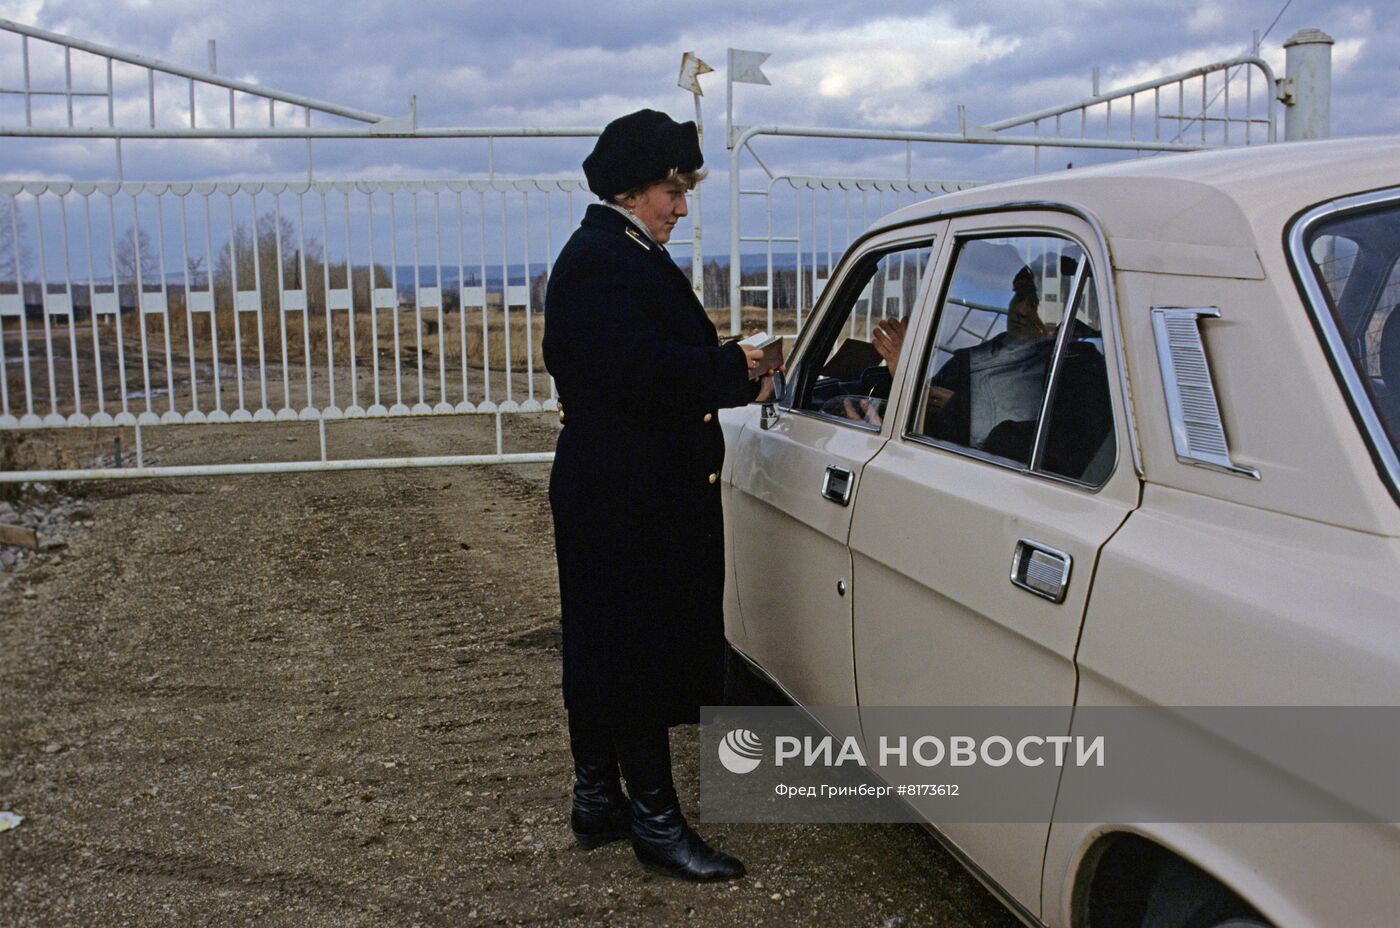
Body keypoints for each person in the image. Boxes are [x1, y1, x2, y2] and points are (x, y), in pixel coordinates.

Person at [542, 109, 773, 883]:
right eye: (673, 191)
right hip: (626, 491)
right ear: (634, 189)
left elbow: (641, 362)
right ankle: (654, 823)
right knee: (632, 651)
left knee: (603, 642)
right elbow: (641, 375)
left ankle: (598, 800)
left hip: (618, 483)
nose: (681, 207)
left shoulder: (615, 250)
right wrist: (734, 368)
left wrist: (726, 366)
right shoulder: (604, 259)